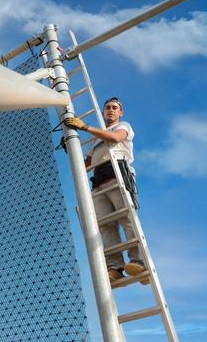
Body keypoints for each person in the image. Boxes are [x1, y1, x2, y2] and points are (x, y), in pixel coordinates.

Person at [64, 97, 148, 285]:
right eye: (107, 108)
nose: (110, 110)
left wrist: (85, 127)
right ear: (103, 112)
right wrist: (69, 148)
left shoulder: (124, 125)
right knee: (105, 225)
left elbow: (115, 138)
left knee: (126, 218)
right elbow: (85, 165)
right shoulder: (96, 140)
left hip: (117, 175)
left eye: (114, 108)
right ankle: (115, 267)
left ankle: (138, 261)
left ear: (120, 112)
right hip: (99, 181)